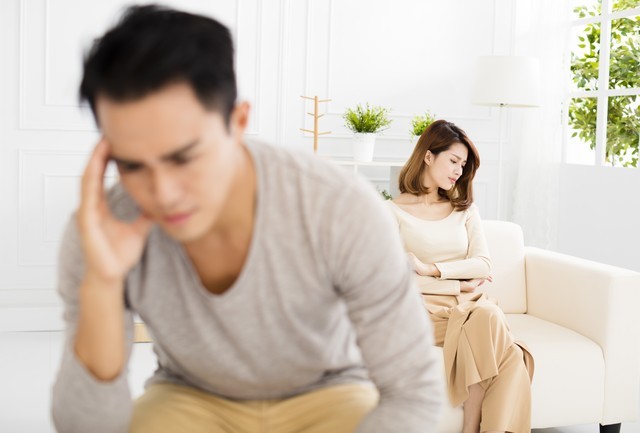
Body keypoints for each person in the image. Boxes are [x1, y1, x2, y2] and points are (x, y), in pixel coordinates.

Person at [50, 5, 444, 433]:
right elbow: (86, 425)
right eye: (131, 165)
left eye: (184, 157)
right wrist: (102, 283)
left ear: (238, 122)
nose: (162, 193)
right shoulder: (102, 231)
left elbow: (414, 395)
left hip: (329, 393)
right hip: (188, 397)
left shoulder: (339, 207)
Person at [387, 120, 533, 433]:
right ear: (428, 156)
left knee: (489, 320)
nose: (458, 170)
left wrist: (429, 269)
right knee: (508, 351)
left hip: (470, 305)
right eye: (453, 160)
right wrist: (457, 283)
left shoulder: (464, 210)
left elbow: (483, 265)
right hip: (422, 312)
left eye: (463, 165)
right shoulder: (392, 212)